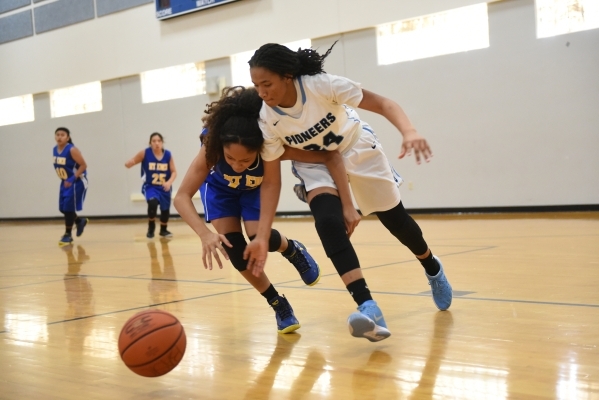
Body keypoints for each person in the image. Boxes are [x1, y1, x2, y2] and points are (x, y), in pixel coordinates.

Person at [244, 42, 453, 342]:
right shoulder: (267, 119)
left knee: (397, 222)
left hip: (356, 146)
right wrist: (262, 235)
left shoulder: (319, 86)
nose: (262, 93)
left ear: (287, 76)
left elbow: (383, 104)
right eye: (256, 86)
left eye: (267, 84)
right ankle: (368, 308)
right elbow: (272, 181)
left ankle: (432, 267)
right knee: (328, 223)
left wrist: (409, 131)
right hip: (315, 163)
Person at [173, 86, 350, 334]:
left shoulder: (271, 144)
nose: (236, 165)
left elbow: (327, 155)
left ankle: (292, 249)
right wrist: (204, 233)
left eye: (245, 161)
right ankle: (278, 304)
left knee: (259, 239)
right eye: (230, 158)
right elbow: (181, 197)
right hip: (220, 191)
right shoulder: (212, 147)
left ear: (259, 149)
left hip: (254, 189)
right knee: (235, 250)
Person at [125, 133, 177, 238]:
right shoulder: (145, 153)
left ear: (162, 143)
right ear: (150, 143)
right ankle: (151, 226)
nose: (156, 143)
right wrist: (129, 164)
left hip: (164, 187)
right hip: (150, 186)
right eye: (154, 141)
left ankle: (163, 230)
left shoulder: (168, 155)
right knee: (152, 203)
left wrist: (169, 182)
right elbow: (131, 162)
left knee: (165, 210)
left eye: (159, 141)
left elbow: (174, 172)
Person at [53, 127, 89, 247]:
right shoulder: (54, 149)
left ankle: (68, 235)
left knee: (68, 209)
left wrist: (72, 178)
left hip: (77, 181)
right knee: (63, 209)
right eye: (57, 134)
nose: (59, 137)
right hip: (65, 182)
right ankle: (79, 221)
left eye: (62, 135)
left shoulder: (72, 149)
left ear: (67, 137)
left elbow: (84, 165)